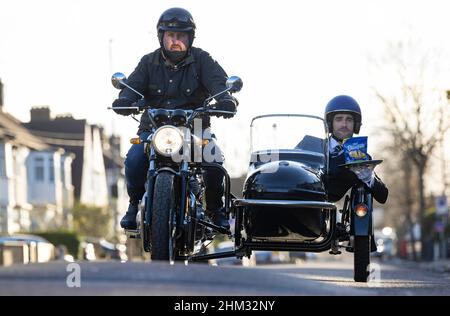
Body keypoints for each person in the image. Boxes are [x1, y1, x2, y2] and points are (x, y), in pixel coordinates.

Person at [112, 7, 237, 230]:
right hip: (153, 129)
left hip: (195, 130)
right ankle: (134, 205)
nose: (176, 41)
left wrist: (226, 99)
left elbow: (219, 84)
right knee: (134, 159)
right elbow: (131, 88)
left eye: (181, 36)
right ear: (162, 37)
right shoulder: (148, 62)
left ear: (190, 38)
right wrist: (124, 99)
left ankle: (214, 210)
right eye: (171, 36)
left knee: (214, 160)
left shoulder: (202, 60)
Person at [324, 95, 388, 204]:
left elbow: (383, 196)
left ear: (356, 125)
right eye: (339, 119)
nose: (344, 124)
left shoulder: (361, 156)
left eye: (349, 120)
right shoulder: (312, 146)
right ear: (330, 123)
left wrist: (369, 178)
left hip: (336, 209)